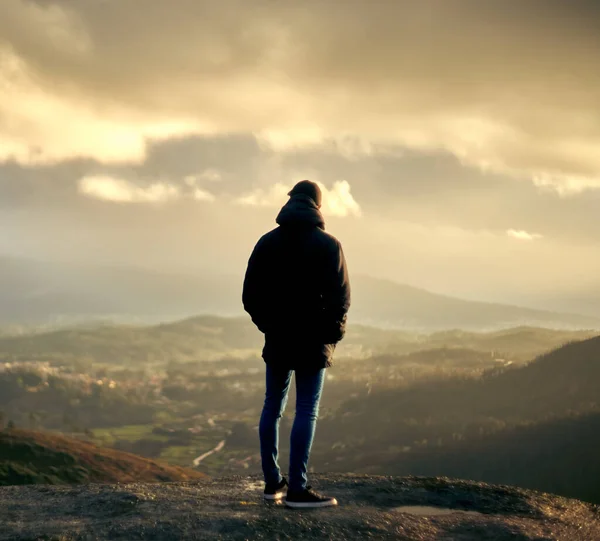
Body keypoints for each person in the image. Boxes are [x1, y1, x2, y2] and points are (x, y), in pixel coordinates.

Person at [242, 180, 351, 508]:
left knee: (271, 407)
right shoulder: (329, 245)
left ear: (290, 202)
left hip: (278, 339)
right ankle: (298, 491)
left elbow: (250, 296)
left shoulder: (267, 243)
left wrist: (269, 327)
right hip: (313, 343)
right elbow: (341, 300)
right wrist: (331, 336)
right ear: (318, 206)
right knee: (306, 409)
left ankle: (272, 483)